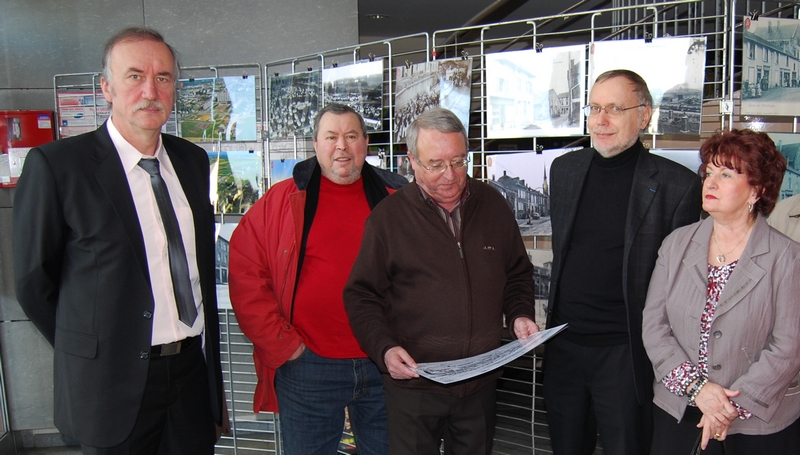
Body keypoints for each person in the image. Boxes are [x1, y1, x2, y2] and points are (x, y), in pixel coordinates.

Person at [13, 27, 227, 454]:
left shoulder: (191, 161)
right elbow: (34, 283)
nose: (151, 90)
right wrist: (93, 347)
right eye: (134, 76)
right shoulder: (58, 167)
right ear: (106, 88)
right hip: (110, 385)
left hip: (190, 375)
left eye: (163, 77)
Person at [343, 107, 538, 455]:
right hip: (415, 385)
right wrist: (384, 349)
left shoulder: (492, 204)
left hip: (479, 383)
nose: (450, 175)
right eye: (436, 164)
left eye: (459, 161)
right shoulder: (387, 220)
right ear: (412, 162)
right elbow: (361, 296)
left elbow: (517, 273)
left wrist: (520, 313)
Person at [228, 103, 407, 455]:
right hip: (308, 365)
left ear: (366, 144)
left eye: (351, 136)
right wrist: (283, 345)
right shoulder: (281, 201)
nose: (342, 146)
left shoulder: (396, 201)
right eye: (331, 136)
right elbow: (246, 272)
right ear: (315, 144)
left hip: (383, 364)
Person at [543, 69, 703, 455]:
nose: (601, 120)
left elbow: (682, 287)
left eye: (615, 108)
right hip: (563, 347)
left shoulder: (677, 186)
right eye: (595, 108)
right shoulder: (564, 171)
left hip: (625, 352)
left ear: (644, 116)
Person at [642, 128, 800, 454]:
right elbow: (654, 327)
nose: (710, 183)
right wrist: (699, 390)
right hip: (679, 411)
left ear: (757, 189)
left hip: (757, 422)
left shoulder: (788, 257)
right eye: (708, 173)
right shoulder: (676, 245)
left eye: (726, 174)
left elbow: (788, 347)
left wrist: (726, 408)